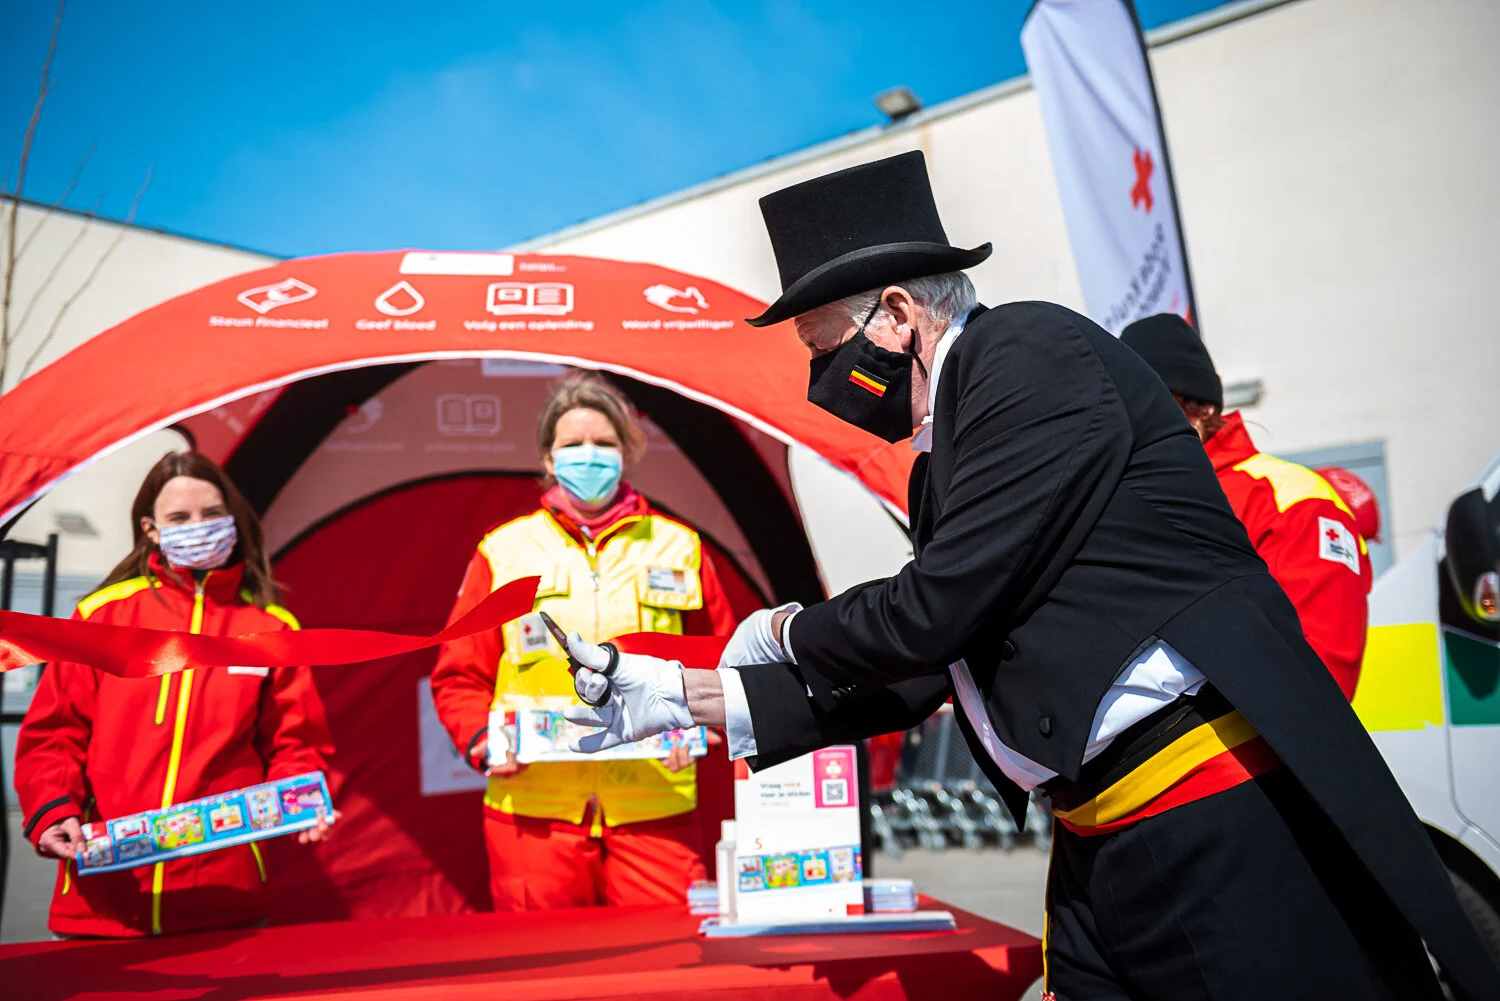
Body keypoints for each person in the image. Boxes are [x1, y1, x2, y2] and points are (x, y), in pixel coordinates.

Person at [557, 152, 1499, 999]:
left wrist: (785, 629)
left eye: (824, 349)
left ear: (897, 314)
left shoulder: (1029, 354)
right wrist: (690, 696)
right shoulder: (945, 451)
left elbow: (935, 610)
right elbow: (935, 663)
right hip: (1099, 836)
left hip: (1212, 817)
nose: (822, 381)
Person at [430, 371, 735, 911]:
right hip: (533, 807)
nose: (588, 456)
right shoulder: (504, 550)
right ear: (548, 458)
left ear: (626, 453)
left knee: (669, 954)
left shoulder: (678, 546)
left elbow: (725, 661)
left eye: (603, 443)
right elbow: (460, 674)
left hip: (654, 802)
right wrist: (481, 740)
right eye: (572, 445)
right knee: (543, 960)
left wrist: (705, 728)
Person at [15, 451, 335, 938]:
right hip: (105, 895)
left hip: (226, 895)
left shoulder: (271, 630)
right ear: (151, 528)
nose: (199, 527)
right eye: (180, 517)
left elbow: (296, 742)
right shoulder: (103, 616)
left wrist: (300, 799)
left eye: (212, 514)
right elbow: (56, 733)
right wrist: (52, 809)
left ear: (233, 521)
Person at [1119, 313, 1372, 699]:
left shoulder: (1294, 500)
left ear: (1202, 408)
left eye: (1151, 402)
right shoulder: (1125, 501)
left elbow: (1321, 678)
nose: (1134, 421)